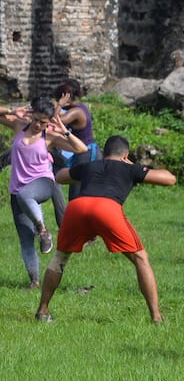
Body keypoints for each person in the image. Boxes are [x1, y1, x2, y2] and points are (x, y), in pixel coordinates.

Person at [35, 135, 176, 323]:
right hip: (107, 208)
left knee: (60, 258)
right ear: (125, 154)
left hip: (77, 207)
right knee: (140, 257)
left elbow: (60, 176)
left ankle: (43, 311)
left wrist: (82, 174)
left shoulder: (90, 166)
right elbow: (170, 179)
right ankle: (157, 317)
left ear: (105, 153)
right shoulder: (128, 167)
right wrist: (132, 166)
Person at [0, 99, 86, 289]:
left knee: (25, 195)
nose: (39, 125)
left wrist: (64, 130)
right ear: (31, 116)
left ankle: (43, 230)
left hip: (43, 183)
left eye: (44, 122)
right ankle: (34, 281)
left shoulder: (51, 136)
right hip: (17, 189)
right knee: (25, 238)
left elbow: (82, 149)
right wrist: (12, 109)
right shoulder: (19, 125)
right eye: (37, 120)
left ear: (49, 122)